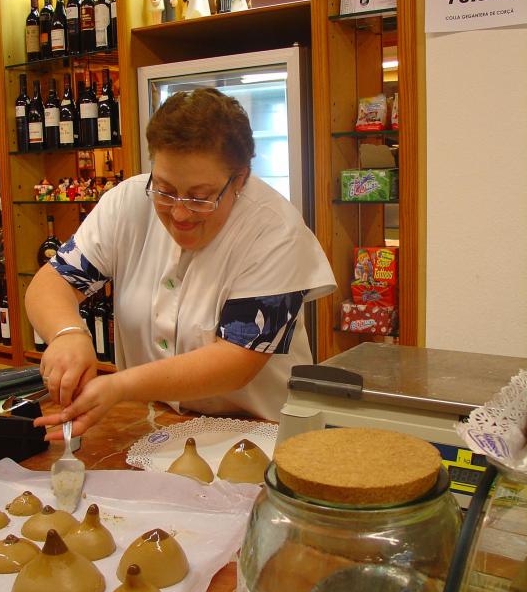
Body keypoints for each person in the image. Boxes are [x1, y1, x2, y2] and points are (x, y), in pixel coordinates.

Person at [25, 89, 336, 438]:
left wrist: (121, 386)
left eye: (200, 197)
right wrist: (66, 334)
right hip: (150, 425)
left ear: (241, 179)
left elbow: (235, 364)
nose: (180, 213)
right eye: (164, 190)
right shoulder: (127, 202)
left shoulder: (276, 232)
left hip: (255, 433)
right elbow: (51, 282)